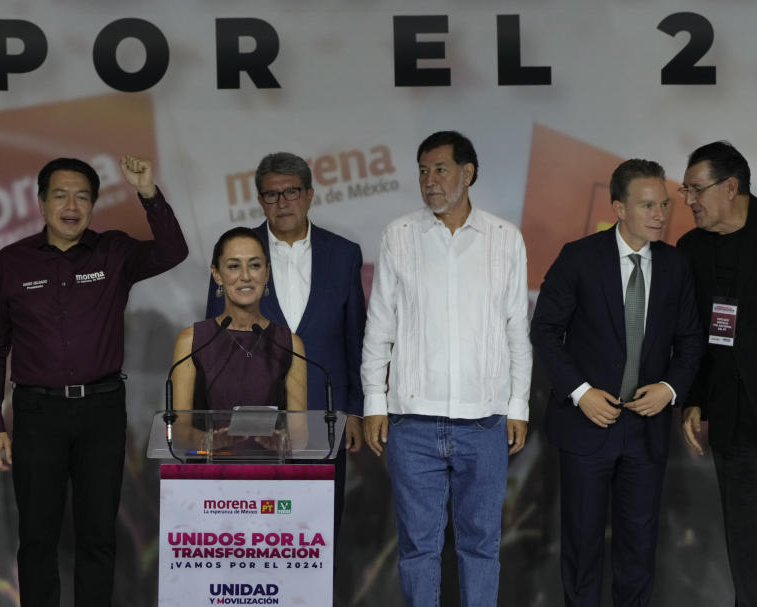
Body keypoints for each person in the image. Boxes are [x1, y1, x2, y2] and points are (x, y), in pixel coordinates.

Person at [0, 156, 187, 607]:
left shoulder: (114, 251)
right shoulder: (12, 262)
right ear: (40, 203)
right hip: (36, 413)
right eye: (60, 195)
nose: (71, 205)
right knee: (37, 538)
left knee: (97, 535)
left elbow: (173, 252)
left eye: (83, 197)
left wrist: (148, 192)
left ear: (93, 204)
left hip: (101, 411)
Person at [362, 131, 531, 606]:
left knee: (481, 546)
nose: (429, 181)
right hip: (413, 423)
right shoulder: (399, 235)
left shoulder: (504, 238)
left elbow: (518, 329)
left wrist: (517, 406)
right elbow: (380, 328)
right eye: (422, 170)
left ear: (468, 173)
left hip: (485, 421)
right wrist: (375, 401)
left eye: (439, 169)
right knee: (418, 548)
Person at [531, 159, 704, 606]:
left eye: (664, 204)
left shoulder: (676, 266)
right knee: (582, 547)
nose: (660, 215)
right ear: (618, 208)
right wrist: (581, 392)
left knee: (639, 550)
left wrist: (668, 390)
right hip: (586, 426)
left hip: (646, 432)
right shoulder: (579, 257)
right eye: (647, 205)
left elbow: (690, 342)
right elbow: (545, 331)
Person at [205, 152, 365, 531]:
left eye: (291, 192)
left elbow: (356, 338)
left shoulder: (343, 254)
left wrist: (356, 411)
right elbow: (216, 342)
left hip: (323, 418)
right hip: (249, 420)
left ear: (309, 194)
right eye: (272, 195)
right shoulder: (237, 252)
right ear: (260, 200)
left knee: (319, 536)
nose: (282, 202)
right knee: (255, 535)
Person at [677, 141, 757, 607]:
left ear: (731, 187)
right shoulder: (689, 249)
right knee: (746, 543)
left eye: (695, 189)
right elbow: (692, 335)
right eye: (685, 189)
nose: (688, 200)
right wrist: (694, 398)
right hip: (732, 421)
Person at [175, 227, 307, 441]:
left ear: (266, 273)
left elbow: (300, 437)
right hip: (209, 471)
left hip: (272, 471)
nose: (245, 276)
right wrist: (210, 443)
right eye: (234, 266)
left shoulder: (290, 344)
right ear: (217, 274)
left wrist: (283, 442)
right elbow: (179, 433)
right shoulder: (191, 341)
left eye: (254, 265)